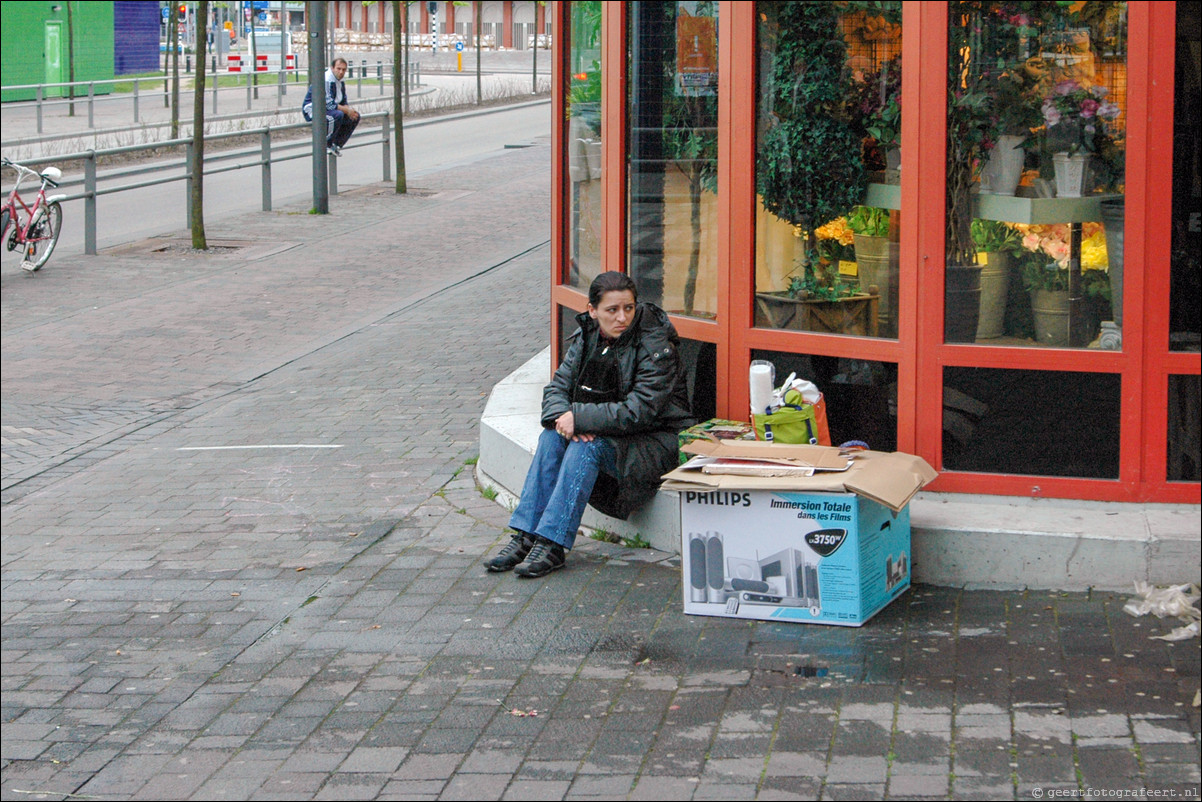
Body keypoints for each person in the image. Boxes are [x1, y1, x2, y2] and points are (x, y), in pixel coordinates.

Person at [485, 272, 695, 578]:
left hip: (655, 442)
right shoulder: (587, 336)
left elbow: (640, 411)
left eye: (629, 308)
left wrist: (581, 418)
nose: (622, 317)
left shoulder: (655, 346)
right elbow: (556, 388)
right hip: (613, 436)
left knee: (587, 447)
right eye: (612, 310)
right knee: (551, 438)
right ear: (593, 310)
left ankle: (553, 544)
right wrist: (565, 418)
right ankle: (525, 535)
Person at [302, 57, 360, 156]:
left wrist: (350, 111)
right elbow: (329, 104)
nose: (341, 72)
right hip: (313, 109)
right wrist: (346, 110)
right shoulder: (327, 80)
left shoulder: (340, 81)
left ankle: (337, 144)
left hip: (330, 110)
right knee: (337, 115)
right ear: (332, 68)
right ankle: (326, 144)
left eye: (344, 69)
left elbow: (343, 100)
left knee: (354, 117)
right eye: (338, 68)